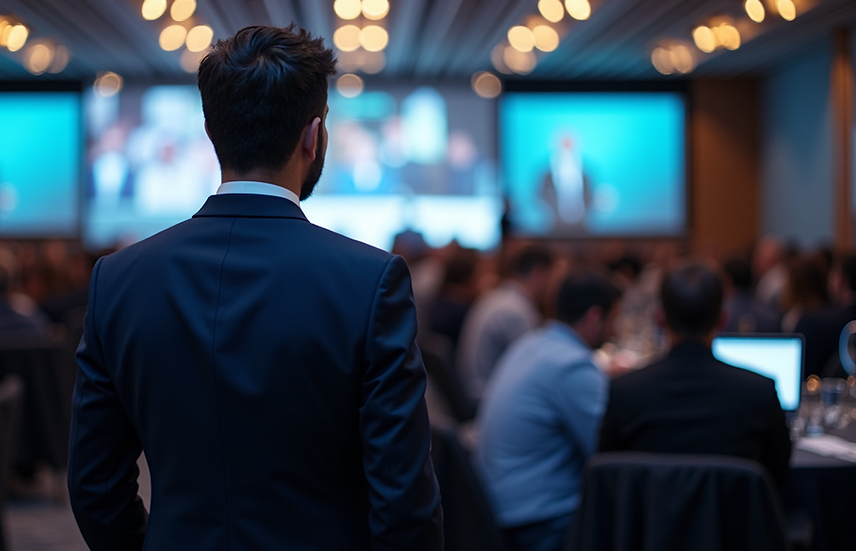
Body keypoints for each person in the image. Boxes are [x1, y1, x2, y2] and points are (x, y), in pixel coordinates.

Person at [68, 25, 443, 551]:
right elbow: (404, 505)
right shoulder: (371, 281)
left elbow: (95, 488)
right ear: (314, 135)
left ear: (210, 131)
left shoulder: (118, 280)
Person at [599, 262, 792, 486]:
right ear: (723, 319)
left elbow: (608, 478)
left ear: (660, 319)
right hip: (731, 510)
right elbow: (777, 479)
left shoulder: (625, 392)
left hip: (653, 510)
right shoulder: (759, 392)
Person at [476, 270, 620, 551]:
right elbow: (606, 450)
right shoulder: (572, 366)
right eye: (614, 320)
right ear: (594, 318)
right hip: (538, 522)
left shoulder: (530, 344)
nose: (614, 332)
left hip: (498, 507)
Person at [456, 245, 553, 401]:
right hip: (484, 399)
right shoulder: (517, 310)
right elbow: (533, 370)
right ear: (539, 273)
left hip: (472, 391)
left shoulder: (497, 296)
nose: (552, 286)